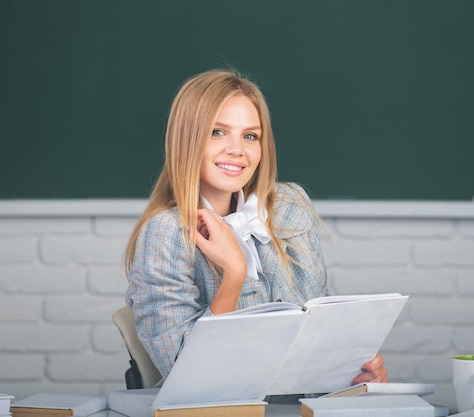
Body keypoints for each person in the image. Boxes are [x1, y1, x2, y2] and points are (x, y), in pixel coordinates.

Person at [124, 68, 388, 390]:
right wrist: (234, 273)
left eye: (250, 136)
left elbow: (320, 320)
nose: (238, 150)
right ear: (186, 140)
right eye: (217, 132)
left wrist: (355, 371)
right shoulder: (166, 234)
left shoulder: (289, 206)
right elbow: (189, 377)